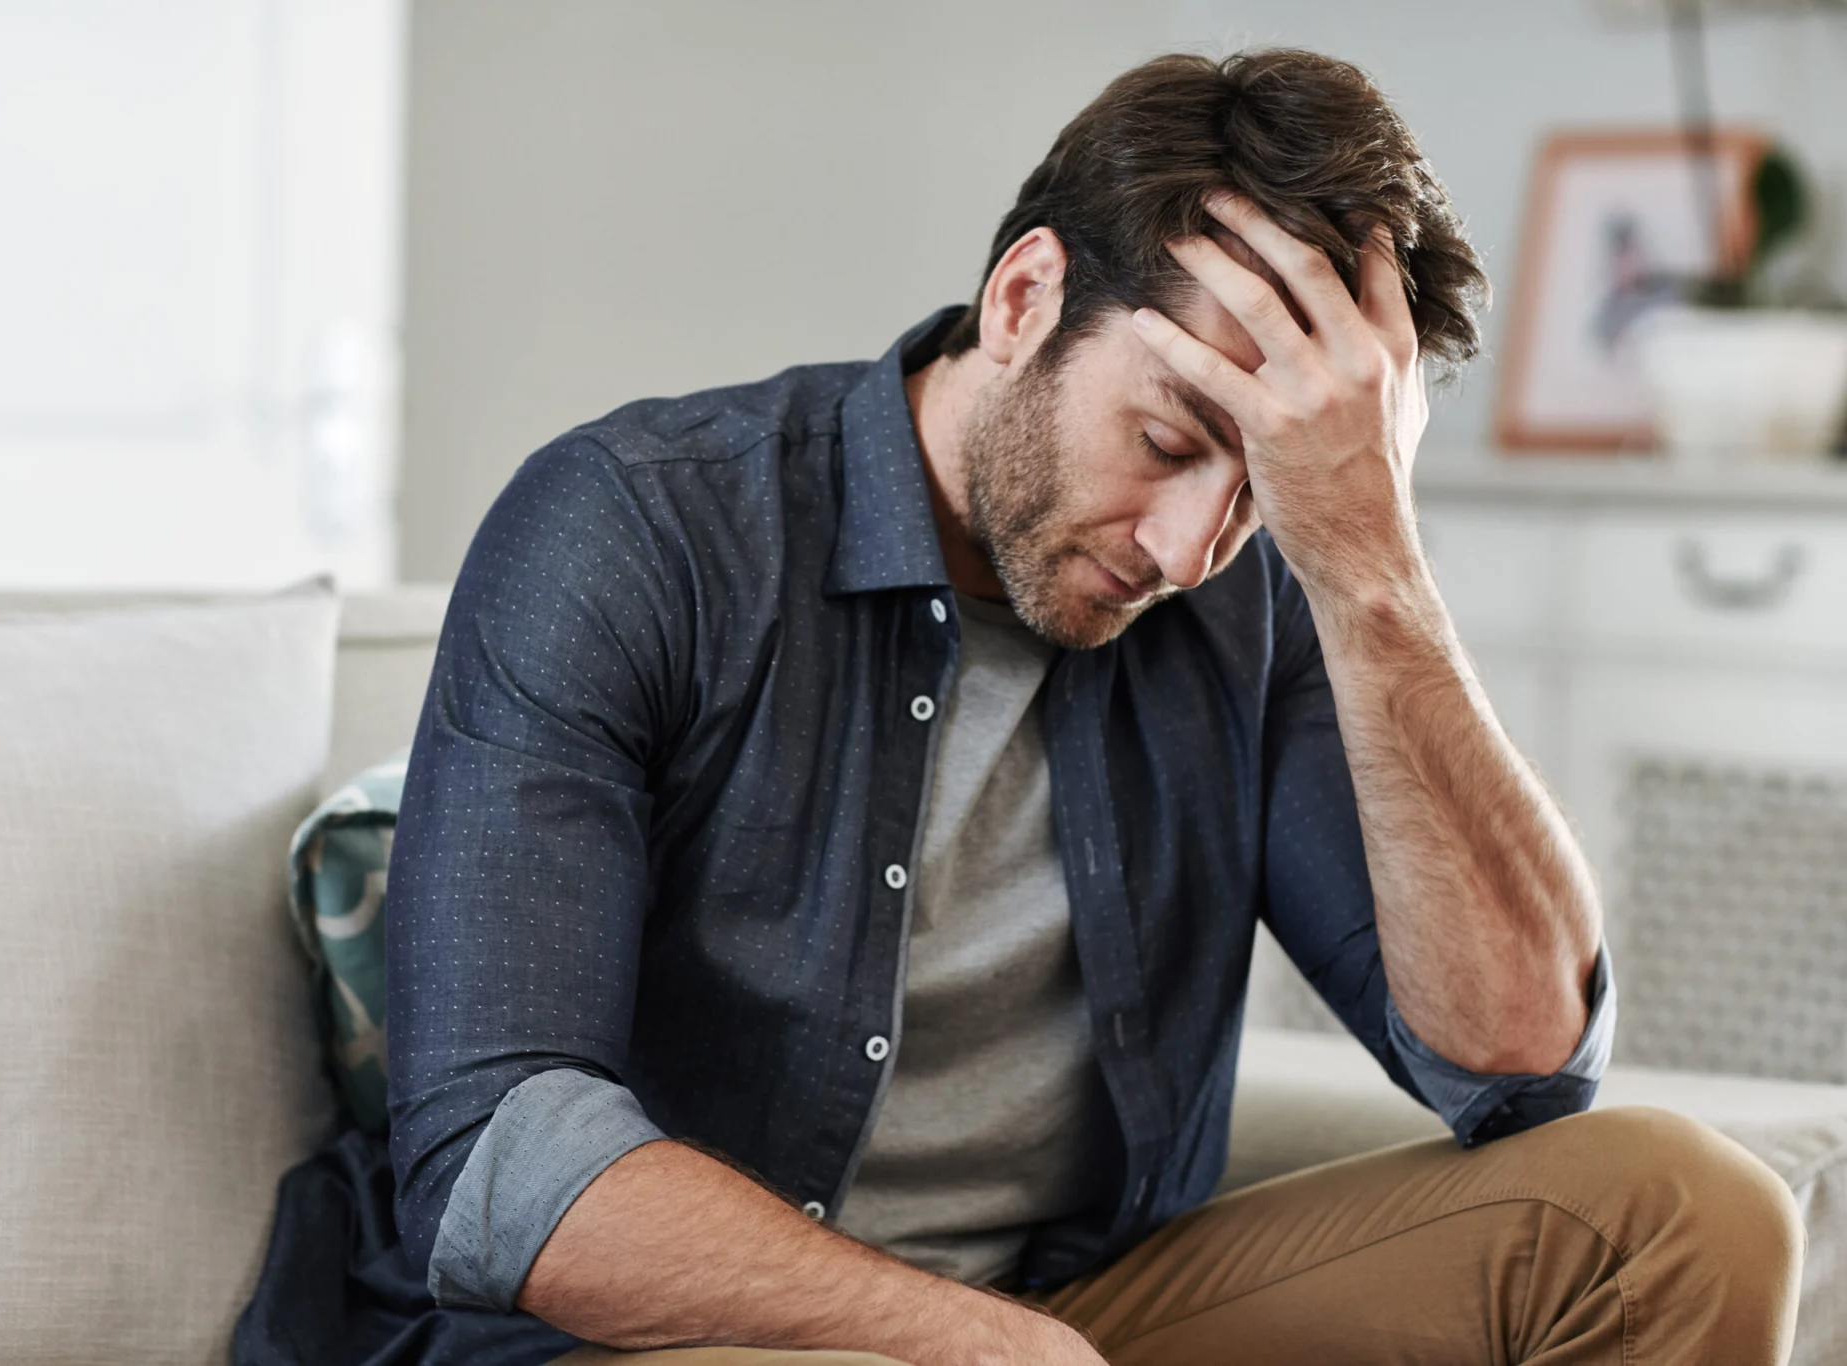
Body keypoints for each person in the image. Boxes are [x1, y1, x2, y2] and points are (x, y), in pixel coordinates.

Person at [378, 48, 1803, 1366]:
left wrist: (1369, 563)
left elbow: (1518, 1071)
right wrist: (973, 1343)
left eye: (1263, 488)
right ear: (1023, 301)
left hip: (1079, 1316)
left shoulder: (1262, 590)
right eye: (1171, 443)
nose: (1189, 551)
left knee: (1688, 1214)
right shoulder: (634, 529)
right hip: (662, 1334)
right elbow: (507, 1162)